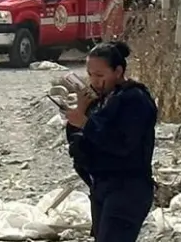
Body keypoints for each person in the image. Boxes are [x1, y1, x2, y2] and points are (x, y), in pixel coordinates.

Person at [64, 41, 158, 242]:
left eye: (100, 75)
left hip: (127, 189)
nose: (94, 81)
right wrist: (80, 112)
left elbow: (123, 144)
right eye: (90, 75)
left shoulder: (134, 99)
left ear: (118, 71)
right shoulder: (103, 100)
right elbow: (80, 142)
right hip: (102, 187)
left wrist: (86, 123)